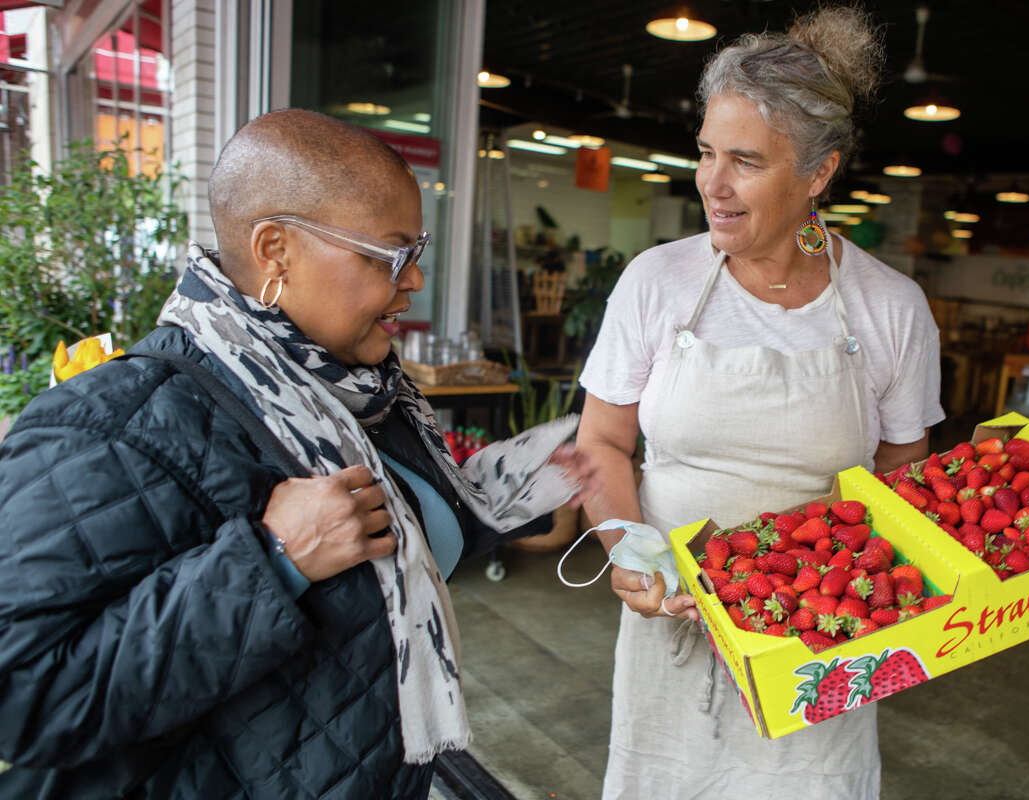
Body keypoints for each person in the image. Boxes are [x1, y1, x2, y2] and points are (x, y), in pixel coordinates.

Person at [0, 109, 596, 798]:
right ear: (275, 250)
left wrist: (526, 480)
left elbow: (399, 548)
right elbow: (23, 693)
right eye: (390, 255)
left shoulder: (362, 394)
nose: (413, 282)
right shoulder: (114, 422)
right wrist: (272, 560)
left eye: (417, 251)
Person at [575, 7, 944, 798]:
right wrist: (625, 552)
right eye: (706, 151)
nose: (711, 182)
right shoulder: (658, 281)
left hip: (820, 647)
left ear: (818, 173)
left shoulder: (890, 308)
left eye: (744, 160)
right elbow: (602, 442)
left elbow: (904, 482)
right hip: (672, 630)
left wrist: (866, 597)